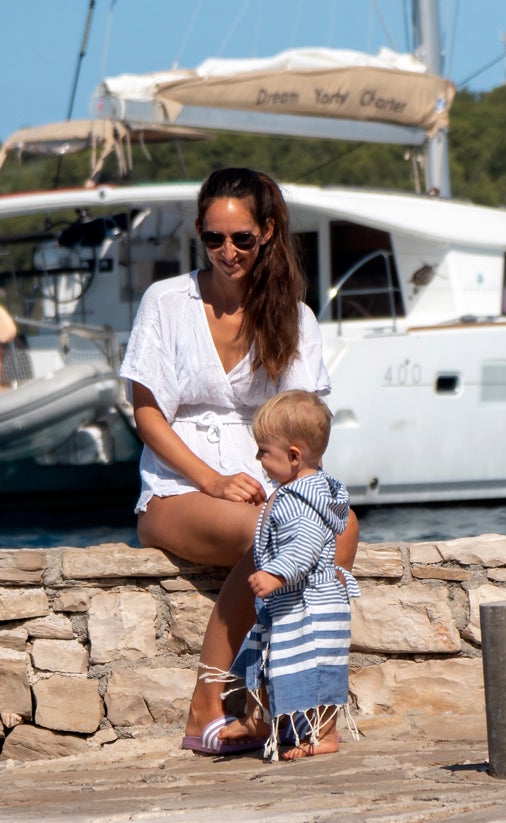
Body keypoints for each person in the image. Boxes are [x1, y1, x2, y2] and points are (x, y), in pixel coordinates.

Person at [117, 167, 359, 755]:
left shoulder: (294, 316)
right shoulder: (167, 302)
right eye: (213, 238)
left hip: (274, 484)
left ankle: (282, 699)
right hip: (180, 487)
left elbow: (302, 421)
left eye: (242, 239)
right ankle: (209, 699)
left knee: (341, 527)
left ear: (268, 233)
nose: (227, 251)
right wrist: (213, 480)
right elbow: (146, 412)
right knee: (275, 532)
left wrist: (300, 491)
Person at [225, 389, 358, 760]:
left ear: (294, 456)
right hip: (301, 603)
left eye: (263, 451)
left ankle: (323, 734)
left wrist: (276, 576)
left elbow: (304, 546)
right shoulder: (297, 492)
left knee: (315, 670)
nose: (258, 458)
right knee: (293, 668)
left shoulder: (303, 501)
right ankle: (301, 728)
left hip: (311, 603)